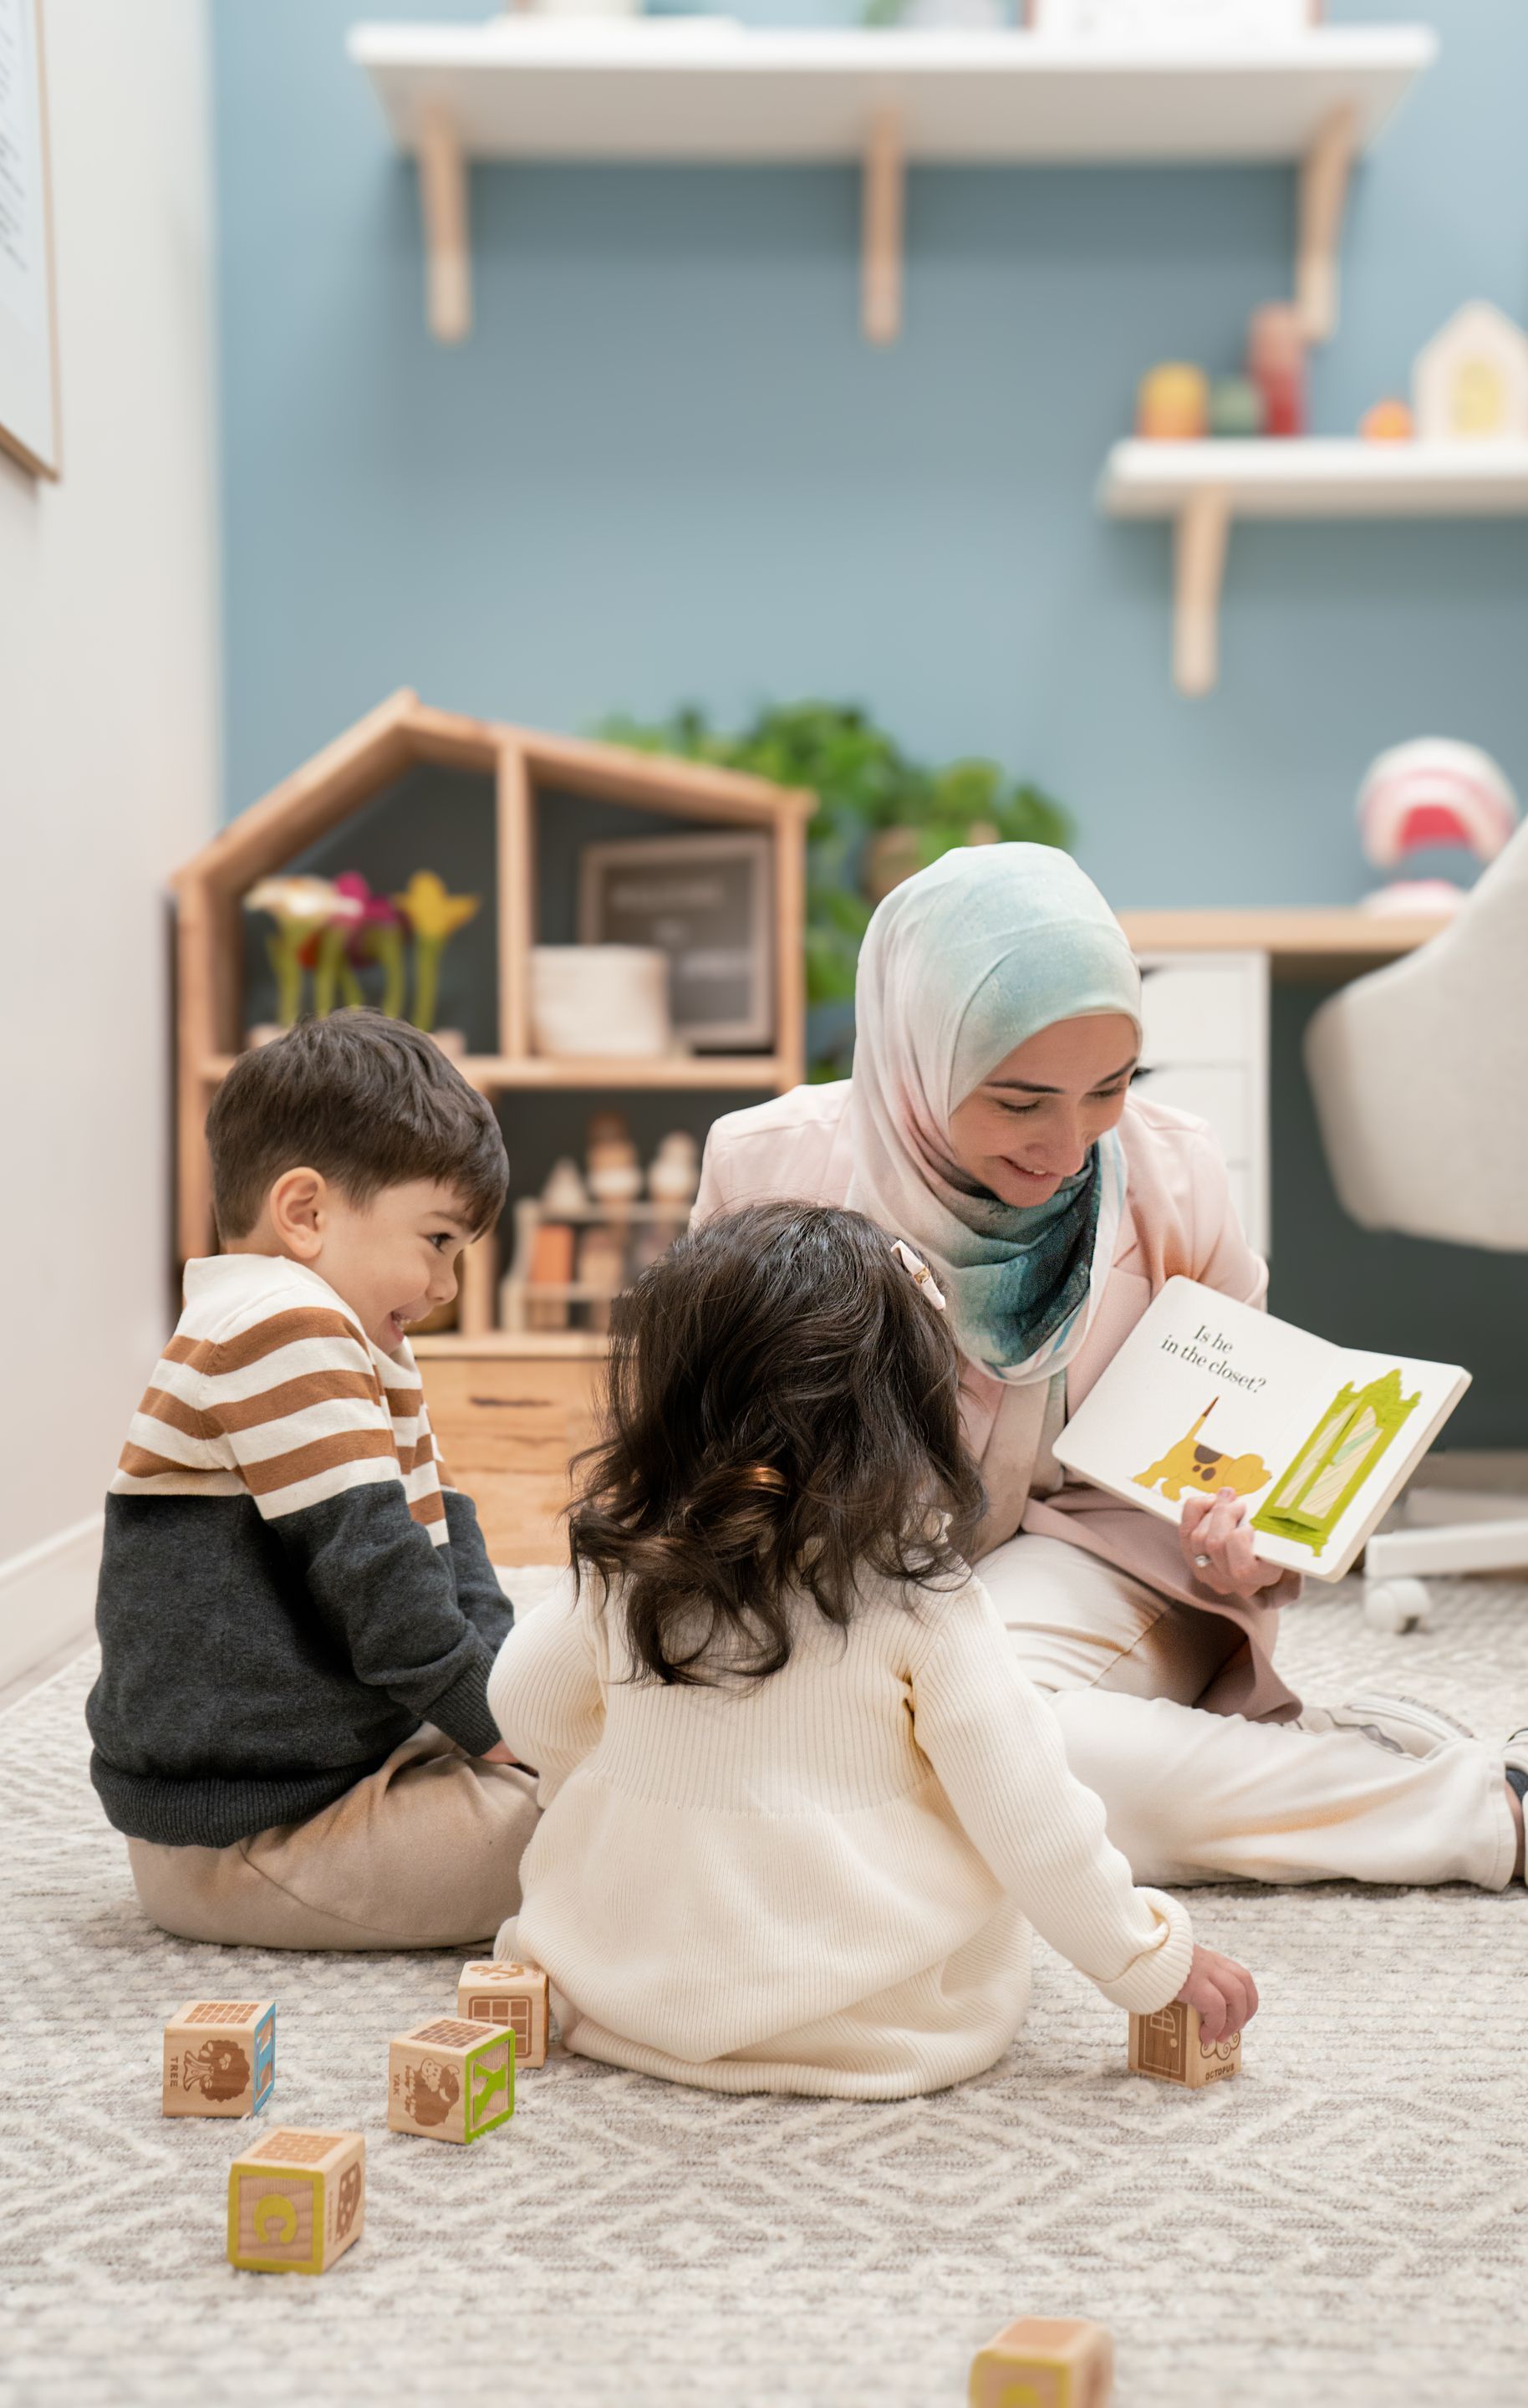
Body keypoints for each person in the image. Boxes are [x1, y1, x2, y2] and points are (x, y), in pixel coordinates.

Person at [693, 845, 1525, 1895]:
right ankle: (1344, 1757)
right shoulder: (765, 1167)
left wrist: (1249, 1551)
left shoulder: (1170, 1172)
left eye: (1109, 1088)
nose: (1069, 1145)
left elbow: (1244, 1462)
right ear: (917, 1056)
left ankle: (1483, 1807)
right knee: (809, 1752)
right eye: (1018, 1100)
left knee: (998, 1750)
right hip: (858, 1567)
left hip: (1095, 1547)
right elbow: (709, 1451)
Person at [487, 1201, 1257, 2098]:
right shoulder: (920, 1595)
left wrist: (625, 1786)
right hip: (876, 2026)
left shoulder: (623, 1558)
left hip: (623, 1997)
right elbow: (1029, 1814)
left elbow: (524, 1704)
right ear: (910, 1411)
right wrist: (1147, 1961)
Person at [86, 1011, 538, 1947]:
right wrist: (506, 1742)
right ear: (305, 1214)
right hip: (255, 1833)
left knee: (579, 1760)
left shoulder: (349, 1338)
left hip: (324, 1773)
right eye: (440, 1238)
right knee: (593, 1835)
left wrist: (512, 1708)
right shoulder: (279, 1321)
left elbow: (447, 1549)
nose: (449, 1283)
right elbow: (378, 1577)